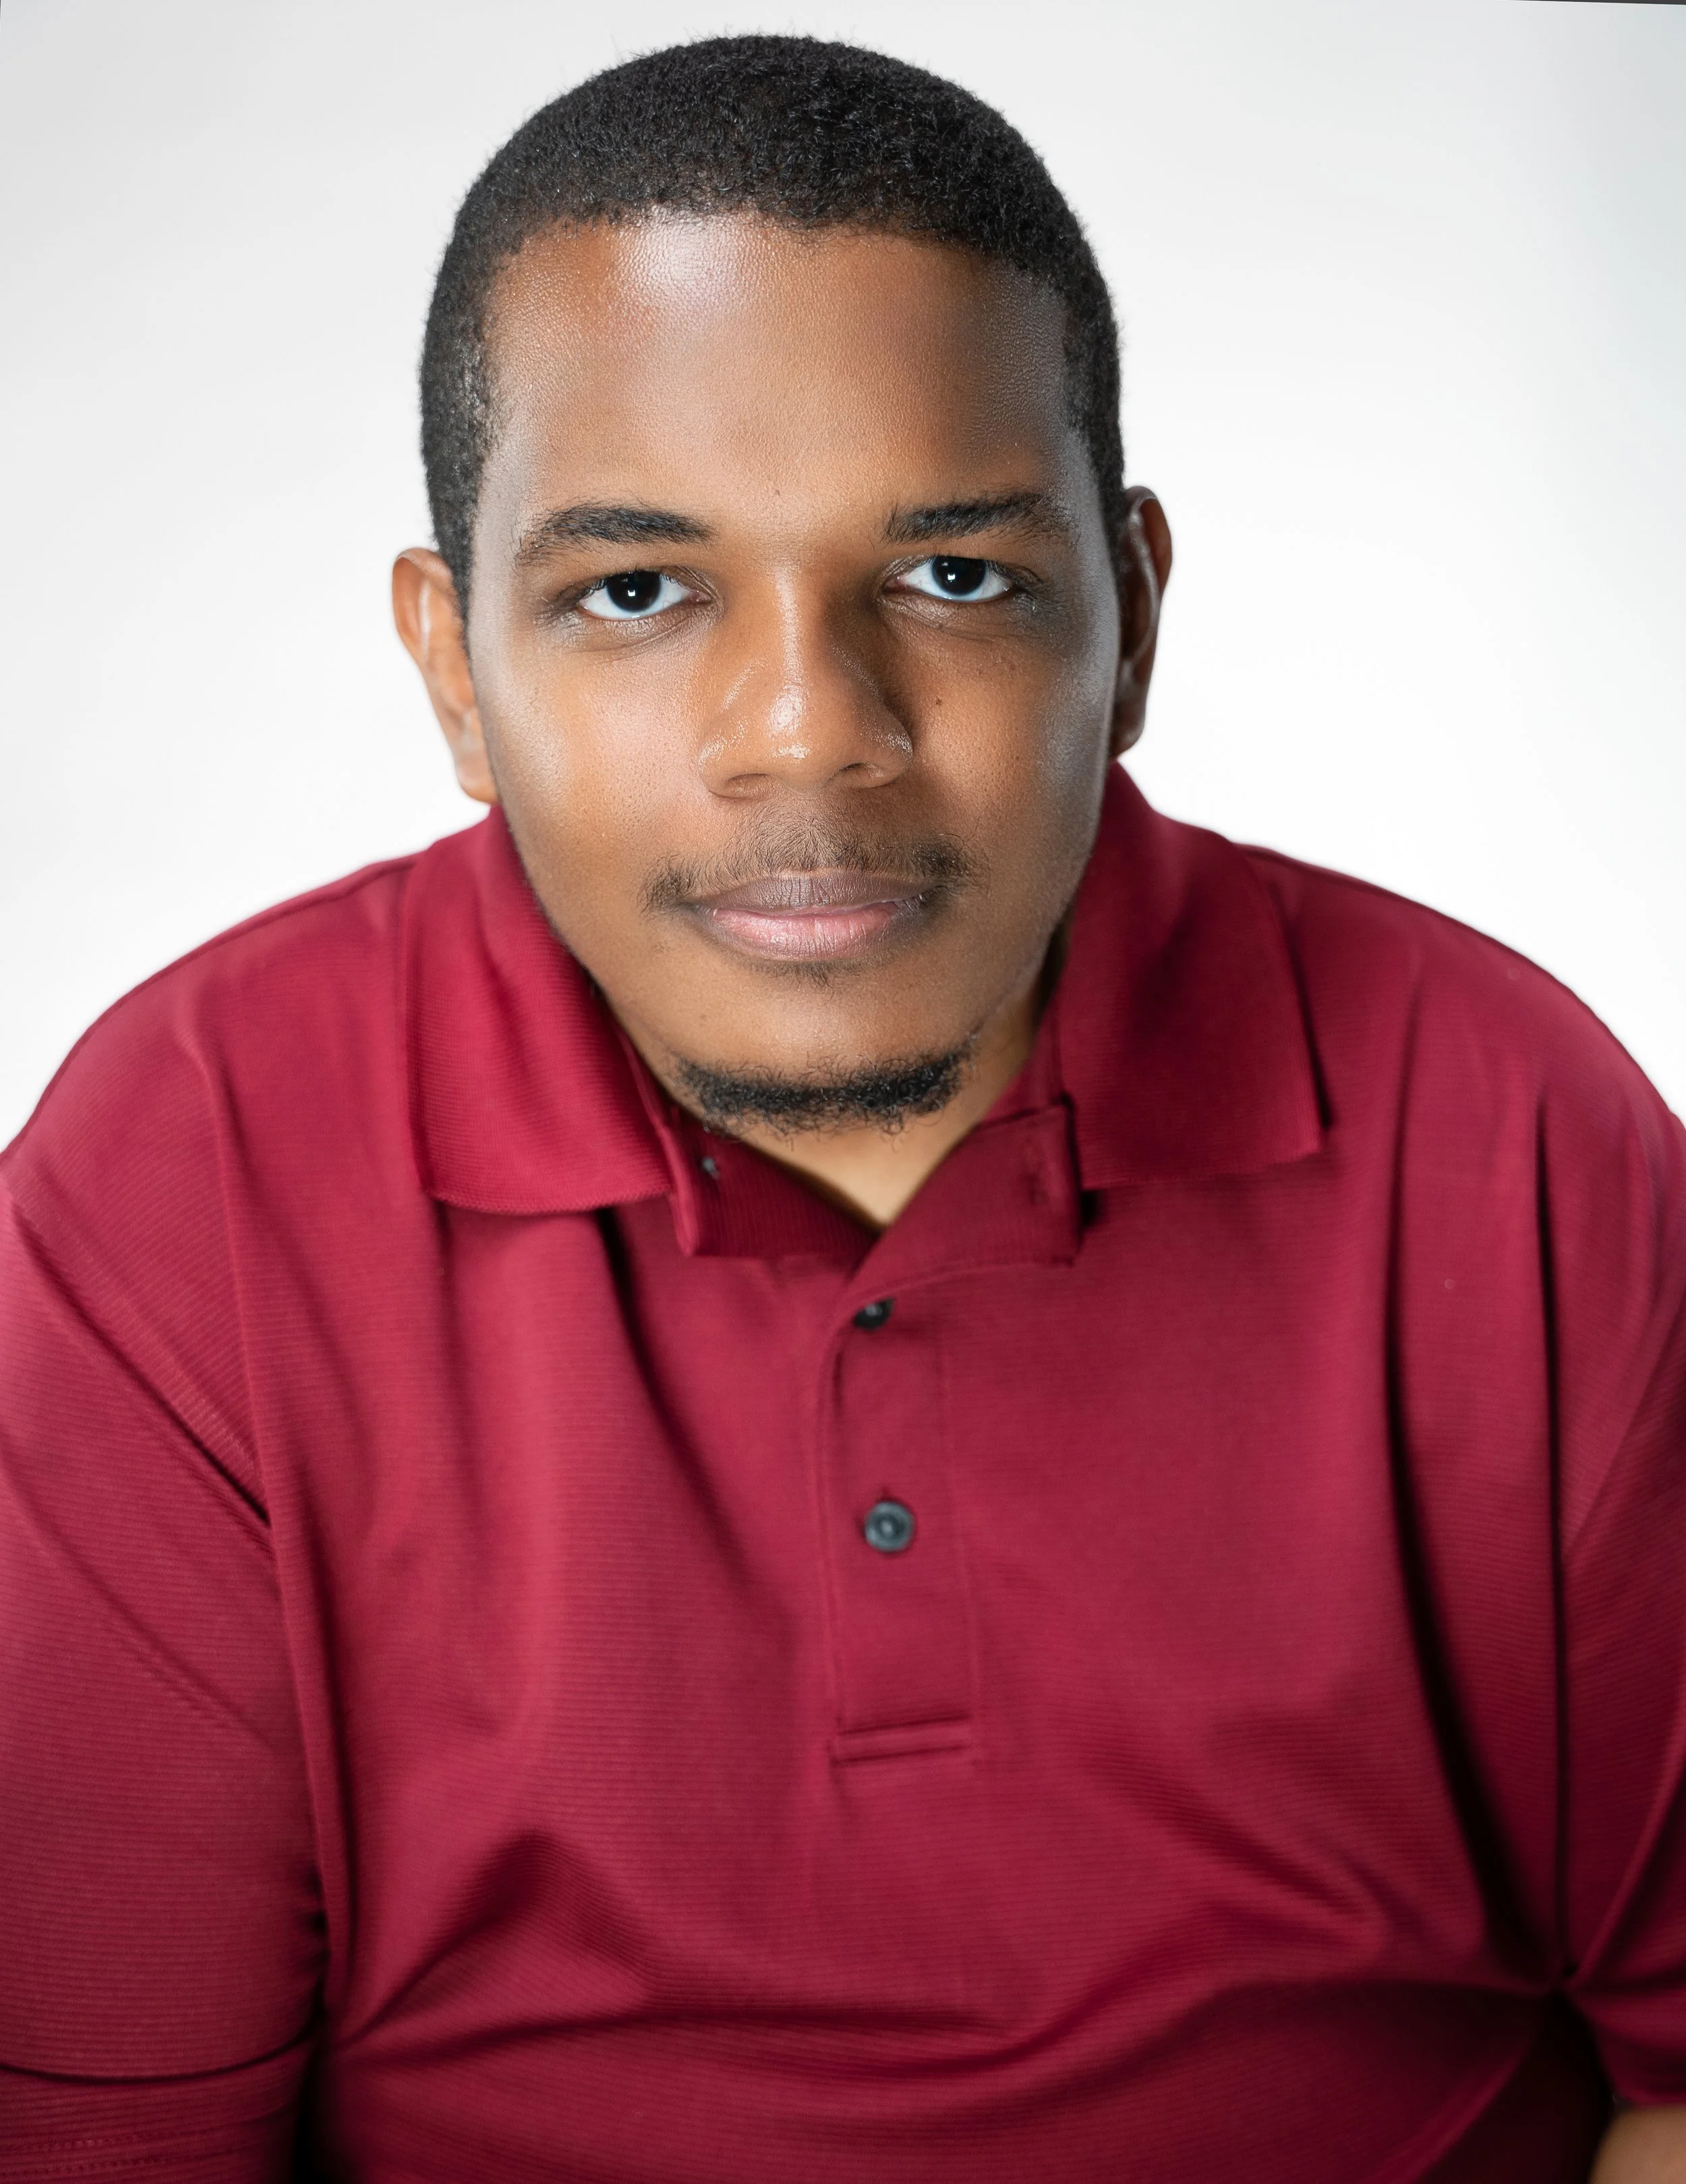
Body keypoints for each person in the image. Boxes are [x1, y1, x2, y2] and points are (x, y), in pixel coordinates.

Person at [1, 33, 1683, 2183]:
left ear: (1135, 616)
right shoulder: (185, 1163)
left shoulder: (1503, 1121)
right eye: (636, 590)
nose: (810, 735)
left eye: (953, 578)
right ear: (452, 672)